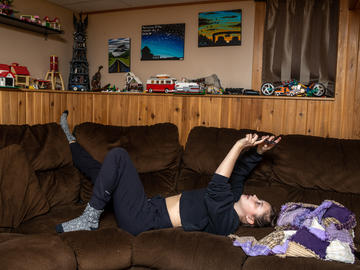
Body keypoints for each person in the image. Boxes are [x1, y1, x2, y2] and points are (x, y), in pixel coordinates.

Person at [56, 111, 281, 236]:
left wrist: (239, 145)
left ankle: (89, 218)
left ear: (250, 219)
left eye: (258, 203)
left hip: (142, 220)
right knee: (103, 173)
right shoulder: (232, 199)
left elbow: (218, 183)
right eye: (259, 198)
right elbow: (239, 173)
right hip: (146, 206)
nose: (254, 196)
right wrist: (258, 152)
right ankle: (71, 141)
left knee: (118, 157)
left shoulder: (226, 221)